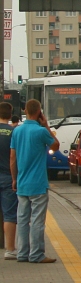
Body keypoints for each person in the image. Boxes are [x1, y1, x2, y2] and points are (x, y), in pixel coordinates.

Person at [11, 99, 60, 264]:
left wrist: (14, 178)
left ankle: (22, 254)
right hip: (38, 183)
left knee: (23, 220)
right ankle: (37, 254)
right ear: (39, 112)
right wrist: (46, 125)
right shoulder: (40, 131)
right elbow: (56, 146)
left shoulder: (16, 131)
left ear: (25, 111)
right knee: (37, 221)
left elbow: (12, 158)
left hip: (22, 183)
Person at [0, 103, 18, 260]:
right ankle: (10, 249)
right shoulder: (14, 132)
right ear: (10, 114)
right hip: (7, 177)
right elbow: (14, 157)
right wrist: (15, 178)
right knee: (9, 214)